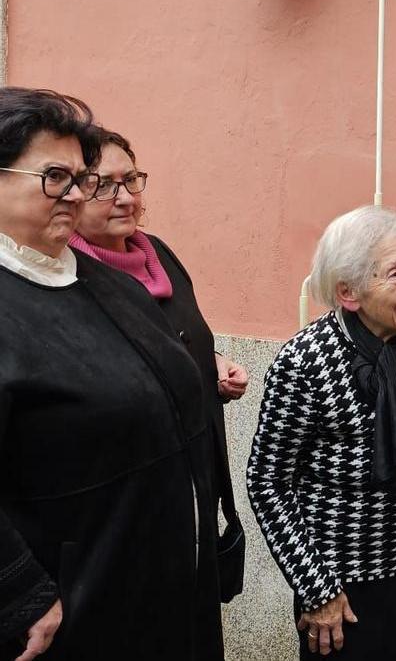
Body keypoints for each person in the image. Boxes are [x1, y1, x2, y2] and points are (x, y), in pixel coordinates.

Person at [0, 87, 226, 660]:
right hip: (80, 597)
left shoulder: (111, 284)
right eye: (55, 176)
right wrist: (18, 591)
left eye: (81, 178)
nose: (76, 195)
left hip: (168, 582)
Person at [247, 205, 396, 660]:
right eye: (395, 274)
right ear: (349, 292)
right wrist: (315, 588)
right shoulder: (305, 362)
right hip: (344, 588)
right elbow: (267, 481)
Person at [68, 126, 249, 605]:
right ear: (70, 191)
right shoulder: (71, 280)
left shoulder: (160, 255)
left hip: (195, 485)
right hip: (132, 505)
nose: (125, 197)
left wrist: (211, 364)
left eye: (132, 180)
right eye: (103, 184)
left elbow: (178, 338)